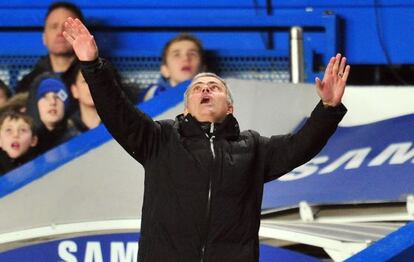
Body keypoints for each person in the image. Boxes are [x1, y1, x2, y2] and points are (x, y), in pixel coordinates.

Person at [63, 17, 350, 261]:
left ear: (230, 107)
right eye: (198, 87)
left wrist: (327, 109)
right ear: (186, 107)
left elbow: (301, 146)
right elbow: (117, 111)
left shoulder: (253, 148)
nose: (206, 90)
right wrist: (92, 65)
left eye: (214, 86)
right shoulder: (159, 139)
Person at [14, 1, 84, 99]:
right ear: (44, 37)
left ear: (82, 33)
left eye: (67, 27)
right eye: (54, 26)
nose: (60, 32)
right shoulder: (29, 83)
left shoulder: (96, 78)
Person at [137, 33, 205, 103]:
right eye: (176, 55)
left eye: (192, 54)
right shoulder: (154, 93)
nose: (186, 58)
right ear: (165, 70)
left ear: (202, 70)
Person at [26, 73, 79, 154]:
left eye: (57, 97)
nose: (52, 102)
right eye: (45, 97)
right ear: (36, 105)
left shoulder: (77, 139)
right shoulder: (25, 143)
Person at [0, 110, 38, 175]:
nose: (16, 135)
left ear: (33, 140)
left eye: (23, 130)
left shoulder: (38, 164)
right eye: (9, 130)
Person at [69, 67, 101, 132]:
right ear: (74, 90)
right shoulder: (68, 130)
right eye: (85, 81)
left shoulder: (118, 122)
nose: (91, 86)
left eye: (96, 80)